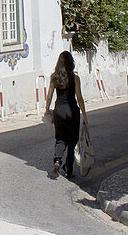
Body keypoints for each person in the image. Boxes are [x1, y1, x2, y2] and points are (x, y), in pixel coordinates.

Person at [43, 50, 88, 178]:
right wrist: (84, 114)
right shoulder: (75, 78)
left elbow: (49, 96)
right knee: (72, 140)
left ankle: (57, 160)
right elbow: (79, 97)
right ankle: (69, 169)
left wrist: (47, 109)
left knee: (60, 138)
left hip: (59, 110)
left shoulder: (54, 77)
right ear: (71, 63)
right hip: (72, 110)